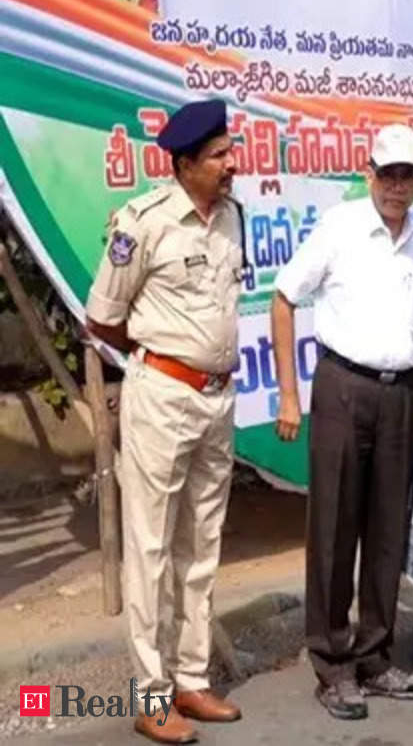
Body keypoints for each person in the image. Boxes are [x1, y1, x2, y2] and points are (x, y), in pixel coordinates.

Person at [271, 124, 413, 720]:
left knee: (387, 533)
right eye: (389, 173)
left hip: (400, 398)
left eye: (409, 175)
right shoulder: (340, 227)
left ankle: (375, 658)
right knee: (333, 531)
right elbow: (283, 296)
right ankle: (331, 662)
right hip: (343, 389)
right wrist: (290, 396)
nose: (398, 186)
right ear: (368, 172)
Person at [84, 99, 244, 743]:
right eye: (218, 157)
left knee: (202, 546)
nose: (231, 165)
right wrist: (161, 362)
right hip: (161, 400)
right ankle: (150, 695)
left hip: (218, 401)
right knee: (149, 548)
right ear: (183, 165)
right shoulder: (142, 222)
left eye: (230, 152)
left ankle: (191, 678)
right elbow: (101, 316)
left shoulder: (232, 215)